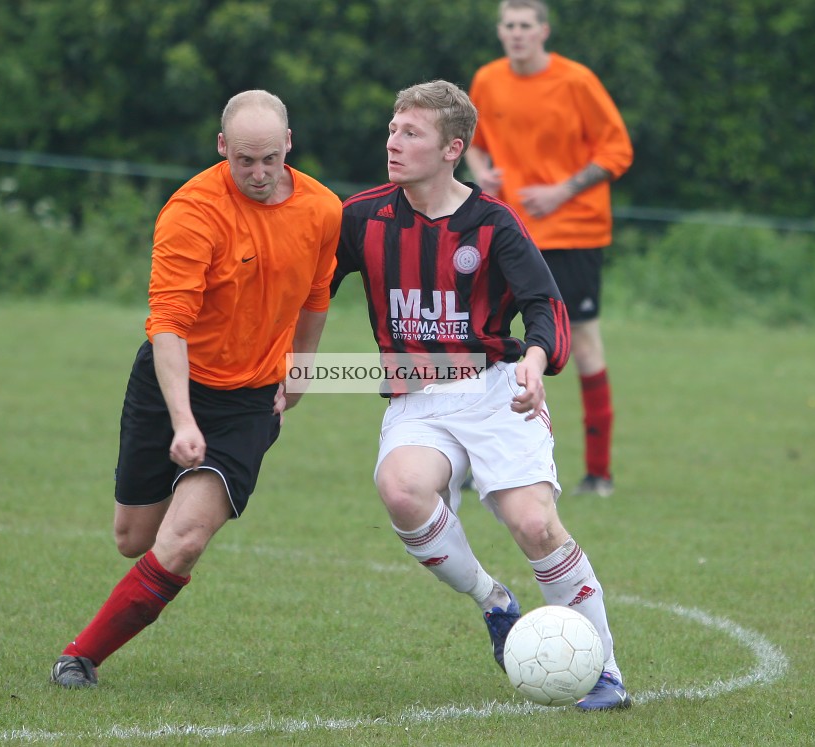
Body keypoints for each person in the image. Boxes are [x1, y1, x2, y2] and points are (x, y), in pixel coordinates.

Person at [330, 79, 631, 710]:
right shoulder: (362, 217)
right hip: (416, 400)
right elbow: (304, 291)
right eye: (392, 128)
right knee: (401, 488)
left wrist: (534, 358)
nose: (393, 142)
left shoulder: (493, 222)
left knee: (536, 527)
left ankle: (604, 670)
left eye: (411, 133)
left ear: (451, 148)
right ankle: (494, 601)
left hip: (495, 394)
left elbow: (544, 305)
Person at [49, 90, 342, 688]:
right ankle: (150, 542)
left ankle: (80, 657)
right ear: (221, 149)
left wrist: (301, 372)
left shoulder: (323, 210)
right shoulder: (192, 211)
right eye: (244, 161)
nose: (258, 174)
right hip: (170, 387)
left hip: (248, 403)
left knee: (183, 540)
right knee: (134, 539)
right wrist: (183, 419)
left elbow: (316, 297)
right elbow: (168, 326)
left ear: (289, 143)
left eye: (269, 159)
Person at [465, 0, 634, 498]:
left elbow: (618, 149)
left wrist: (562, 190)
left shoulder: (576, 81)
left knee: (582, 344)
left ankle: (598, 473)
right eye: (509, 26)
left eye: (525, 26)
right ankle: (482, 461)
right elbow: (469, 139)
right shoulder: (488, 80)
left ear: (543, 31)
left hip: (572, 232)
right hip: (509, 232)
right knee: (489, 341)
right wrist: (478, 166)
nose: (517, 34)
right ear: (500, 32)